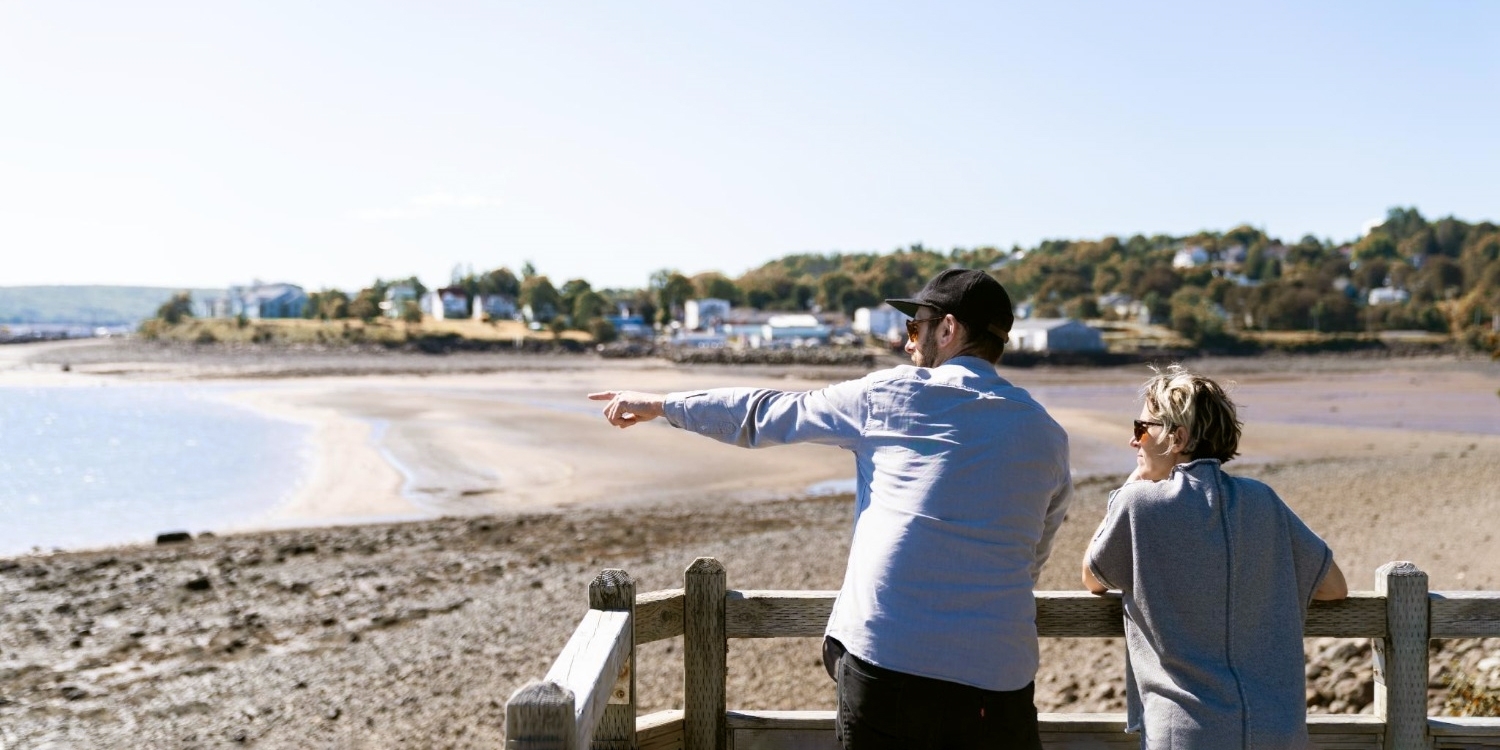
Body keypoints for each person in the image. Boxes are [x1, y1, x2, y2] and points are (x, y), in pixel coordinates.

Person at [591, 269, 1072, 749]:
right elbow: (1033, 552)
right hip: (1001, 684)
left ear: (948, 330)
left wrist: (661, 405)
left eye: (914, 327)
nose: (907, 343)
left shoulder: (890, 396)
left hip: (892, 669)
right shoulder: (1047, 434)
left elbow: (765, 414)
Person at [1082, 364, 1348, 750]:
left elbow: (1093, 575)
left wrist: (1128, 487)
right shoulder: (1262, 499)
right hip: (1276, 729)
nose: (1133, 441)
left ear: (1178, 437)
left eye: (1142, 428)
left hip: (1184, 729)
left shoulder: (1138, 504)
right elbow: (1334, 587)